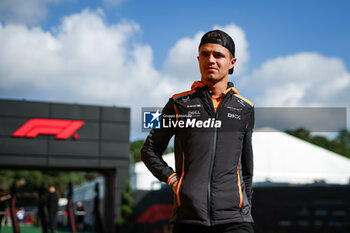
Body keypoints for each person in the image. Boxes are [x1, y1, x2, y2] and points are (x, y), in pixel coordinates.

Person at [141, 29, 255, 233]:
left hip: (235, 220)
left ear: (232, 62)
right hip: (188, 219)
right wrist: (173, 179)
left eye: (218, 55)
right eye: (205, 54)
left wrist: (246, 210)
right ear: (198, 59)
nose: (210, 60)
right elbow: (149, 150)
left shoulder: (245, 108)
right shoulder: (178, 104)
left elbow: (246, 168)